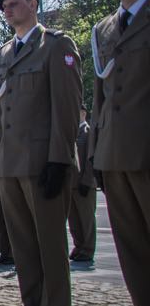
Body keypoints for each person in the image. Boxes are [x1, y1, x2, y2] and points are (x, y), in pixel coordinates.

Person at [0, 0, 82, 306]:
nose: (8, 11)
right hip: (11, 164)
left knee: (49, 246)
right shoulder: (5, 53)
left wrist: (60, 158)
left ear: (33, 4)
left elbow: (67, 106)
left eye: (14, 4)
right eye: (4, 7)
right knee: (25, 248)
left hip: (42, 161)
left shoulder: (56, 45)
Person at [89, 0, 150, 306]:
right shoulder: (104, 30)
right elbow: (100, 100)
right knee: (133, 251)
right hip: (116, 154)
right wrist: (96, 153)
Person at [67, 107, 97, 263]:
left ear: (83, 113)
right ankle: (79, 246)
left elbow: (91, 159)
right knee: (74, 220)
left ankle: (88, 249)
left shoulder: (87, 131)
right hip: (71, 184)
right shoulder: (72, 132)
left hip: (84, 183)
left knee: (86, 219)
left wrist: (87, 181)